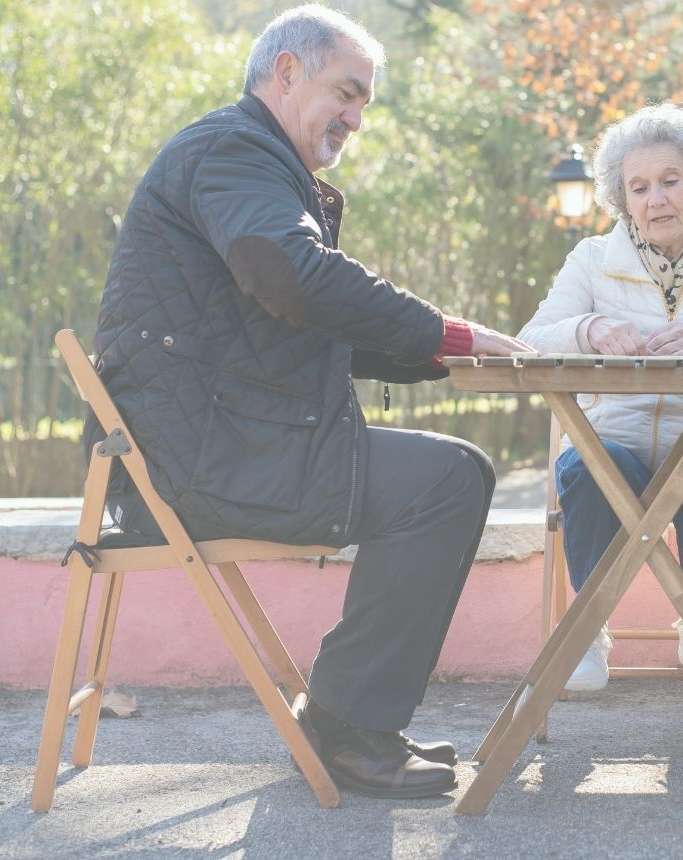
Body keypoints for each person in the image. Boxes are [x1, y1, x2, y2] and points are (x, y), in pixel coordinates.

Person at [88, 5, 531, 800]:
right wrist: (448, 333)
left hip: (212, 443)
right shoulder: (233, 151)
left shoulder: (247, 161)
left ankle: (348, 718)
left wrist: (435, 351)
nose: (356, 119)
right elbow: (293, 276)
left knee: (449, 474)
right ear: (286, 71)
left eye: (365, 105)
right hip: (198, 461)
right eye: (346, 92)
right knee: (447, 482)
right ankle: (347, 729)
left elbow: (287, 319)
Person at [518, 104, 683, 692]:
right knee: (593, 466)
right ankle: (587, 632)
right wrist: (585, 330)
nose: (656, 199)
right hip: (612, 441)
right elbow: (530, 343)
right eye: (638, 188)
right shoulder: (591, 259)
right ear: (622, 198)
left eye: (671, 181)